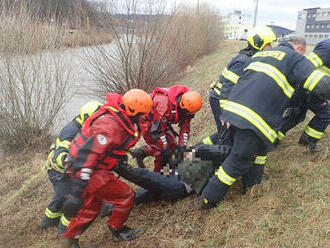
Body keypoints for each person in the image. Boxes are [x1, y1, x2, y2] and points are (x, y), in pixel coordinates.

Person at [199, 36, 330, 209]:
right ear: (298, 48)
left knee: (259, 151)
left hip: (232, 111)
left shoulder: (263, 54)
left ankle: (253, 183)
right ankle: (208, 199)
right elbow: (321, 85)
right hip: (253, 118)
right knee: (238, 159)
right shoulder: (294, 58)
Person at [60, 89, 153, 248]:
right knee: (125, 196)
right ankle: (117, 229)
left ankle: (69, 239)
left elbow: (105, 148)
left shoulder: (120, 116)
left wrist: (118, 156)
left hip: (88, 166)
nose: (144, 117)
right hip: (89, 168)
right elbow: (89, 155)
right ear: (133, 111)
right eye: (142, 114)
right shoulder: (110, 126)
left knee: (93, 204)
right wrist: (78, 190)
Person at [205, 26, 277, 190]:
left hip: (230, 104)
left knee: (229, 137)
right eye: (268, 45)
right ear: (258, 44)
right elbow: (227, 90)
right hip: (221, 102)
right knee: (227, 139)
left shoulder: (253, 59)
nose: (271, 48)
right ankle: (214, 173)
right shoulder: (243, 61)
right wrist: (228, 117)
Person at [42, 101, 102, 233]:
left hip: (73, 169)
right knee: (65, 195)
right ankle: (51, 223)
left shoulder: (87, 127)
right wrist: (70, 162)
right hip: (59, 171)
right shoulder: (70, 131)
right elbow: (59, 156)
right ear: (87, 118)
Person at [133, 85, 203, 173]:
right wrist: (165, 149)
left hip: (160, 122)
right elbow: (157, 131)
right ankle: (157, 177)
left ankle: (141, 152)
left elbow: (185, 128)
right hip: (147, 121)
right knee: (161, 153)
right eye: (186, 113)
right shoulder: (164, 104)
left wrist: (182, 147)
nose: (187, 115)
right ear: (182, 105)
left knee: (173, 145)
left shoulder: (187, 107)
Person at [277, 39, 330, 152]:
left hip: (313, 87)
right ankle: (307, 142)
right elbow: (307, 66)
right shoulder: (327, 47)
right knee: (325, 113)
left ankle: (272, 139)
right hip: (311, 87)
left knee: (296, 115)